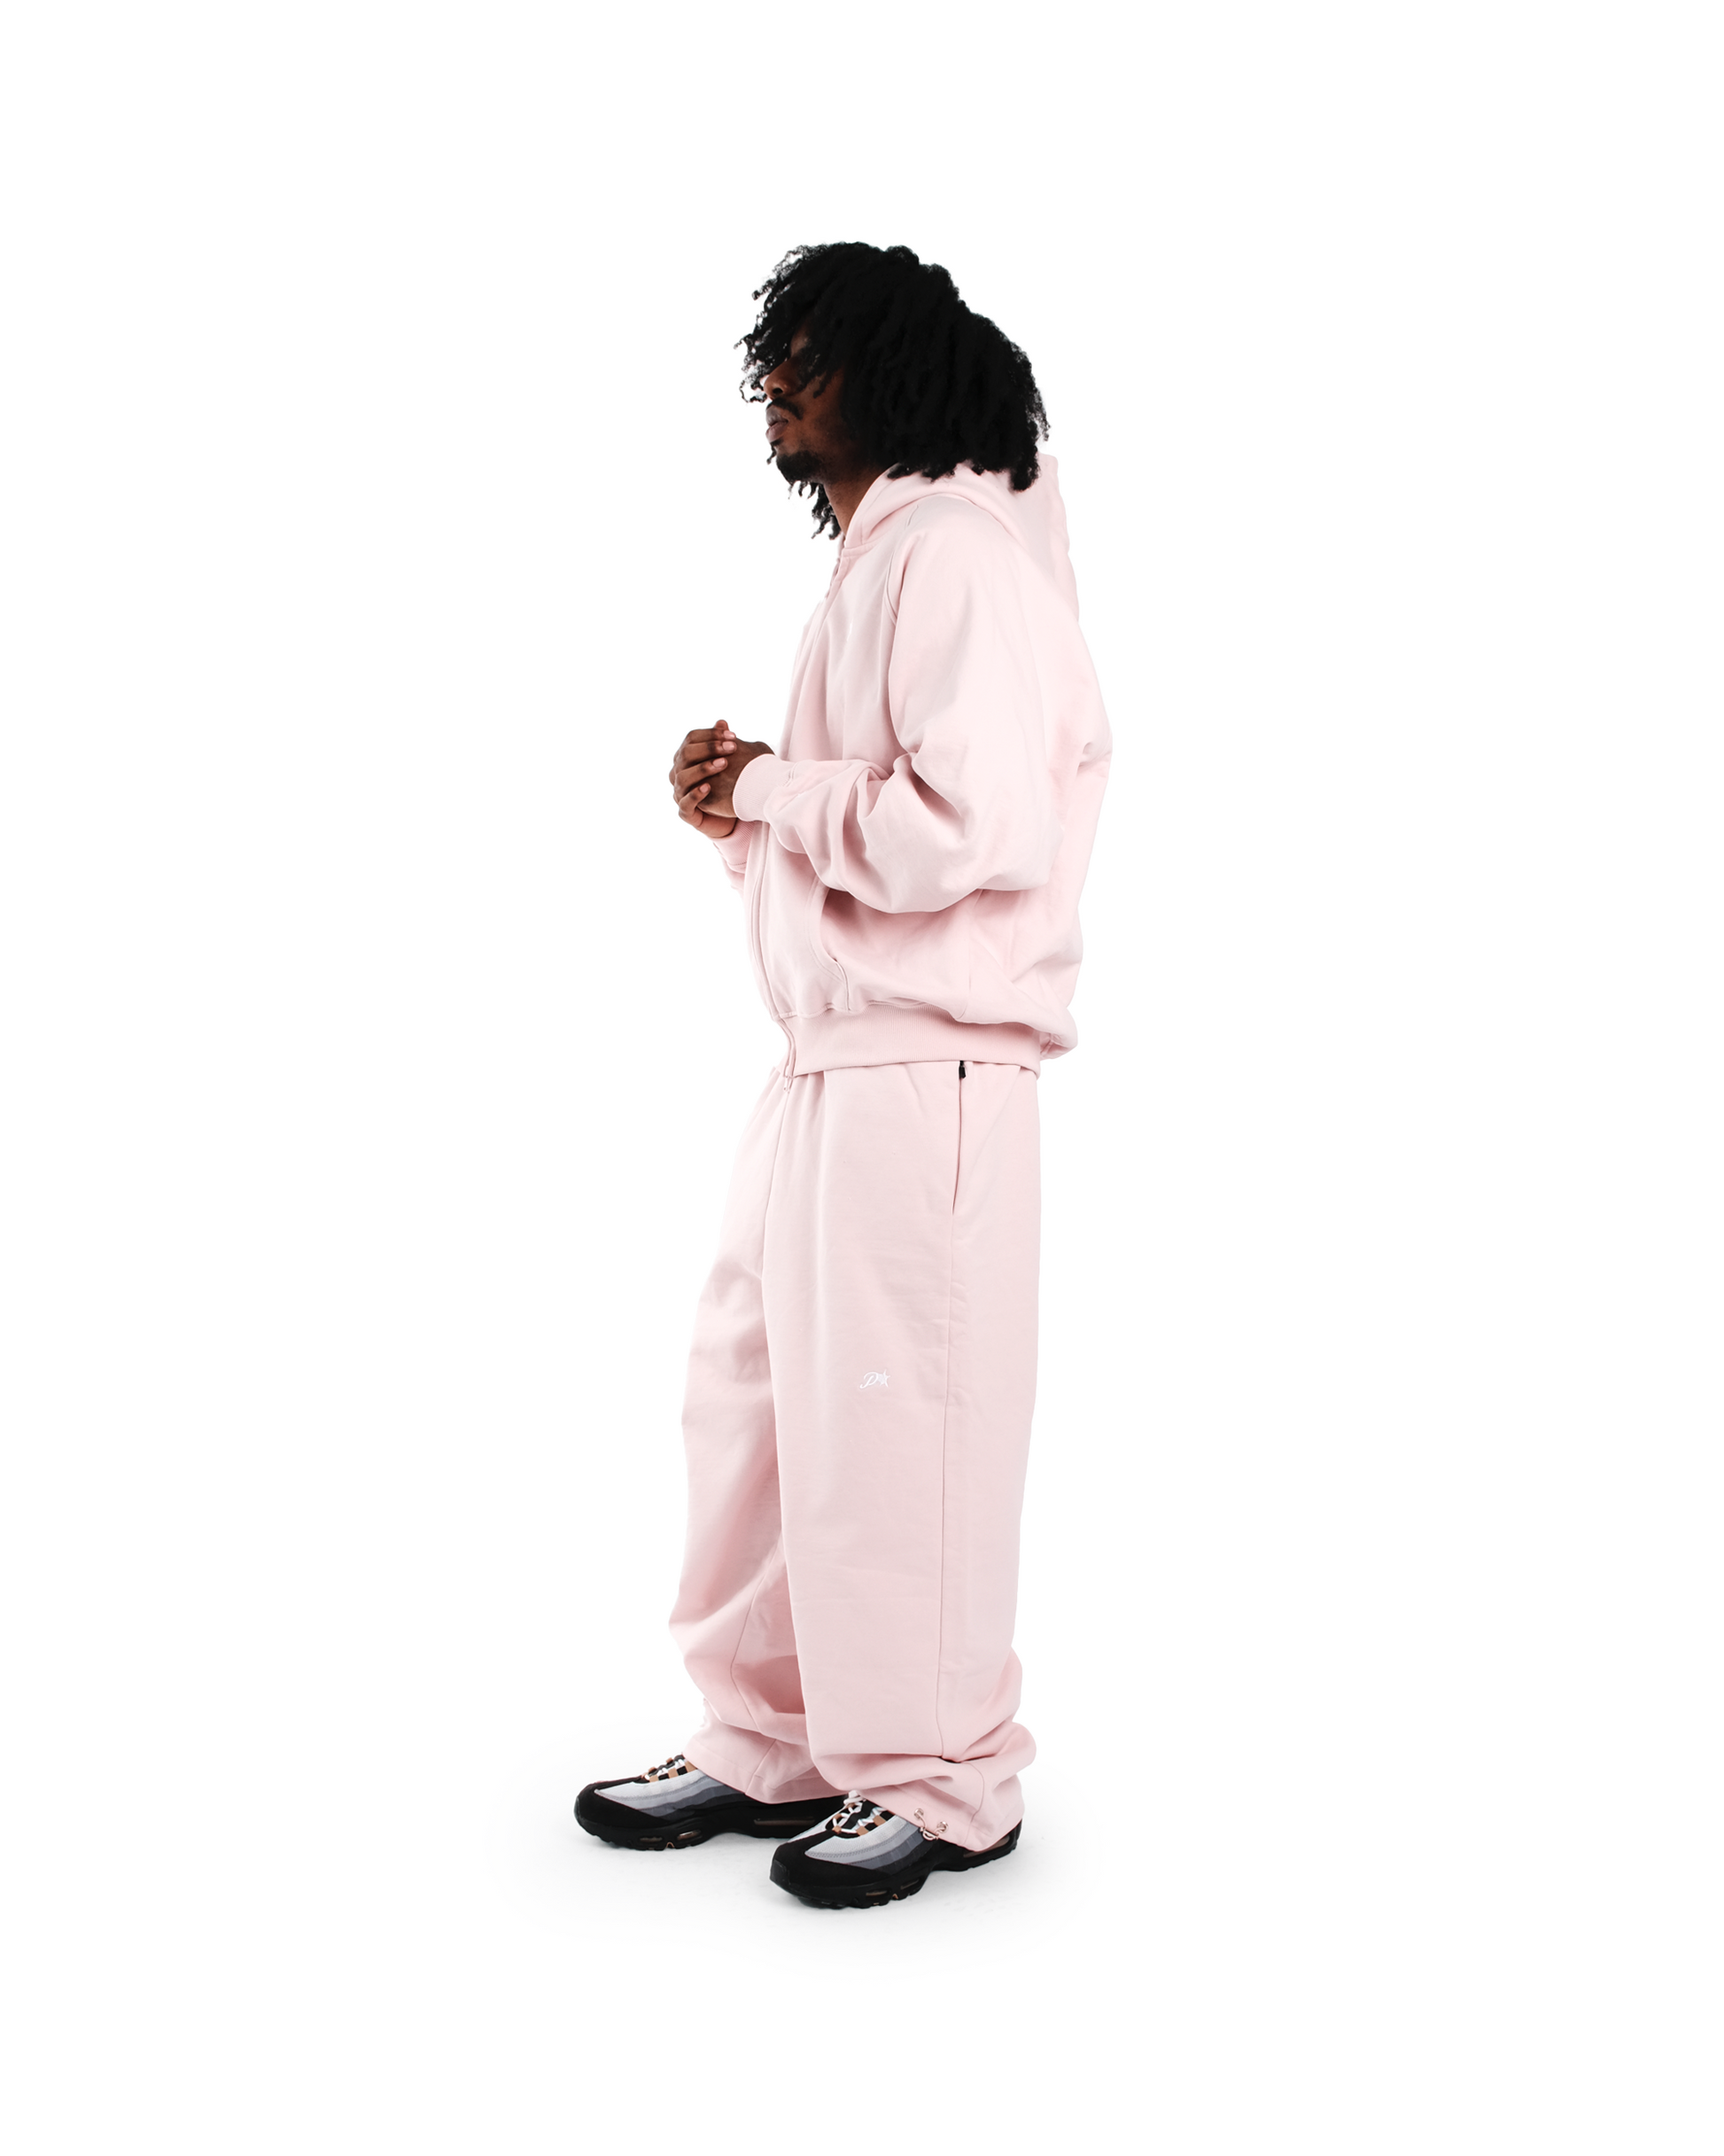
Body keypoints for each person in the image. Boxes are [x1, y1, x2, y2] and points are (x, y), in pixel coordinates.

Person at [576, 243, 1111, 1909]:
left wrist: (772, 787)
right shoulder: (885, 566)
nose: (775, 381)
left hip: (926, 1071)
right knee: (754, 1409)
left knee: (901, 1426)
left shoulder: (954, 553)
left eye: (807, 354)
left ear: (899, 369)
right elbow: (874, 854)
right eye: (770, 356)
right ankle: (771, 1740)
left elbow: (975, 831)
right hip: (830, 1063)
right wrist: (743, 822)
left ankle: (944, 1781)